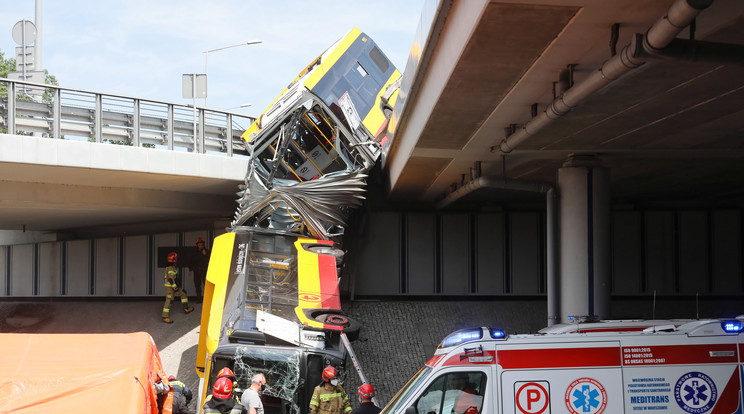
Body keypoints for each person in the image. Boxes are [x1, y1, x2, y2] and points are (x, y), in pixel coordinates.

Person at [162, 252, 194, 323]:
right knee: (169, 300)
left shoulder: (172, 267)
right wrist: (176, 289)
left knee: (183, 293)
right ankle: (165, 316)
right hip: (170, 287)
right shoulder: (170, 268)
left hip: (175, 285)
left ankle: (186, 308)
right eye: (176, 259)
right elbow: (171, 280)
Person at [189, 237, 211, 301]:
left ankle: (208, 299)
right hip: (196, 271)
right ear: (197, 245)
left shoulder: (207, 251)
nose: (200, 246)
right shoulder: (194, 252)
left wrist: (205, 255)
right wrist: (190, 269)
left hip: (204, 270)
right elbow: (191, 261)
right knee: (197, 285)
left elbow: (209, 260)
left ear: (203, 245)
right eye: (199, 245)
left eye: (201, 244)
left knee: (206, 285)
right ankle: (199, 299)